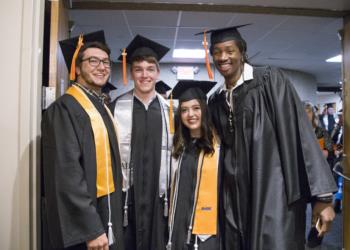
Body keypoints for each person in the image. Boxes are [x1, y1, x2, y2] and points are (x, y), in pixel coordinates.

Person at [196, 25, 337, 250]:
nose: (223, 57)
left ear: (242, 52)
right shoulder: (216, 101)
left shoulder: (270, 81)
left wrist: (323, 197)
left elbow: (300, 134)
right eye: (217, 52)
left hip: (273, 195)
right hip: (233, 201)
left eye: (229, 50)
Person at [42, 31, 124, 250]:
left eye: (106, 62)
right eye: (93, 61)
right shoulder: (64, 109)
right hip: (86, 227)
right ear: (77, 68)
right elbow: (67, 172)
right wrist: (91, 228)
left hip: (104, 212)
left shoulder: (101, 107)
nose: (102, 67)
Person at [109, 34, 173, 250]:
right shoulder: (115, 109)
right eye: (138, 69)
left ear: (158, 73)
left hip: (159, 201)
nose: (144, 75)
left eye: (150, 69)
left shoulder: (171, 113)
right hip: (126, 201)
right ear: (131, 73)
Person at [166, 80, 221, 250]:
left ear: (204, 110)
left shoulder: (219, 146)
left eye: (196, 108)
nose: (190, 114)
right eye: (184, 110)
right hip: (178, 228)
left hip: (206, 233)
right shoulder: (179, 147)